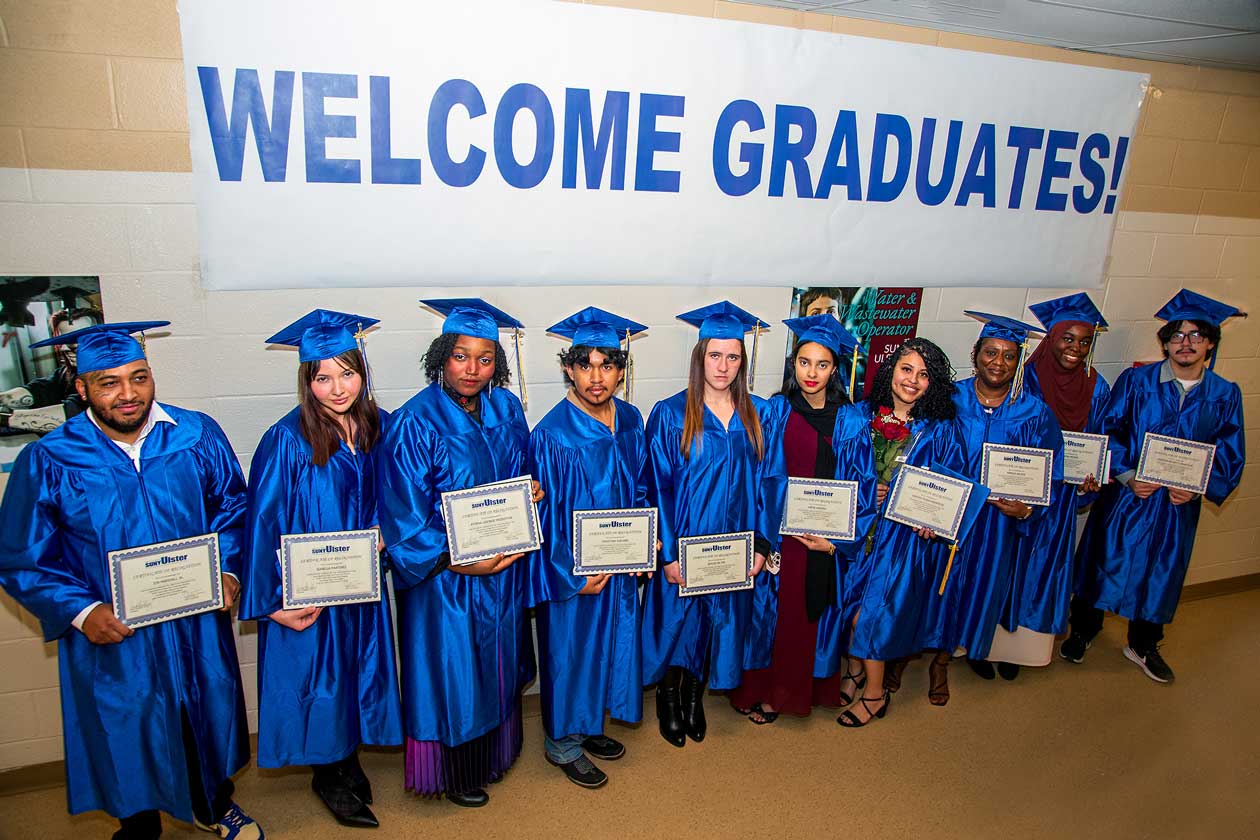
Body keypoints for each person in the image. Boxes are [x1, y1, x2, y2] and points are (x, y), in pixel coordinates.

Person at [0, 322, 262, 840]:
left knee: (200, 713)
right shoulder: (50, 458)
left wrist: (229, 571)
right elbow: (22, 557)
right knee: (125, 726)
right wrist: (80, 611)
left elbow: (234, 508)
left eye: (139, 378)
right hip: (111, 628)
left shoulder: (196, 434)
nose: (128, 394)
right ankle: (137, 825)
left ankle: (213, 804)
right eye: (109, 382)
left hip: (193, 620)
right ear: (82, 388)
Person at [376, 298, 541, 808]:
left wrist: (530, 492)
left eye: (485, 358)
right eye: (461, 356)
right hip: (445, 579)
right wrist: (455, 557)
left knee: (496, 661)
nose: (473, 369)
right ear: (441, 357)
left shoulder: (508, 408)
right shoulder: (414, 421)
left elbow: (521, 473)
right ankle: (453, 772)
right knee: (453, 672)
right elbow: (403, 514)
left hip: (502, 569)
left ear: (499, 363)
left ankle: (496, 754)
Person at [239, 310, 402, 828]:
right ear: (307, 381)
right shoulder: (285, 440)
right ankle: (328, 773)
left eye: (347, 373)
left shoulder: (380, 424)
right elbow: (261, 525)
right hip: (309, 590)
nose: (337, 388)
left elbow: (404, 492)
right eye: (323, 376)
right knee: (321, 677)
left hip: (363, 583)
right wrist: (271, 605)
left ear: (363, 372)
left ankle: (346, 758)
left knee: (361, 669)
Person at [1064, 289, 1246, 682]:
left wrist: (1198, 488)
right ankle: (1083, 630)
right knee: (1103, 559)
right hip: (1129, 496)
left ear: (1210, 342)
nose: (1186, 343)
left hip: (1177, 505)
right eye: (1177, 335)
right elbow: (1108, 431)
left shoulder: (1224, 394)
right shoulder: (1137, 381)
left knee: (1162, 571)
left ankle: (1144, 643)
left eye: (1196, 335)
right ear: (1165, 342)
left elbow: (1231, 453)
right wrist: (1128, 474)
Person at [641, 301, 786, 748]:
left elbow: (771, 482)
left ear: (743, 361)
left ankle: (694, 698)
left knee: (717, 623)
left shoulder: (759, 414)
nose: (723, 366)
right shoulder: (670, 413)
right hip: (685, 544)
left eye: (733, 357)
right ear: (700, 356)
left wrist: (762, 545)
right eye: (714, 355)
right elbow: (657, 486)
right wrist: (666, 553)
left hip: (735, 547)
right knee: (680, 624)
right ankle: (669, 696)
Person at [729, 314, 874, 724]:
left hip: (823, 539)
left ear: (835, 369)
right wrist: (763, 536)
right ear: (793, 364)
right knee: (771, 617)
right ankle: (769, 690)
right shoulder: (775, 411)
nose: (812, 373)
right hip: (779, 535)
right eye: (804, 362)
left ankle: (797, 692)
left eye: (823, 364)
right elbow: (759, 476)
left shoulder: (850, 422)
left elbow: (863, 489)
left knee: (809, 616)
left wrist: (838, 542)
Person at [527, 307, 650, 788]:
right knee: (571, 651)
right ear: (568, 368)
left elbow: (641, 487)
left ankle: (590, 725)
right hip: (574, 571)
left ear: (621, 369)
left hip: (619, 560)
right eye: (585, 365)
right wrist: (569, 577)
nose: (596, 377)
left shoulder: (631, 418)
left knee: (612, 644)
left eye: (607, 365)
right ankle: (562, 743)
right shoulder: (552, 435)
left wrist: (645, 541)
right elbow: (541, 519)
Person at [836, 338, 966, 722]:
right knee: (847, 603)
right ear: (891, 370)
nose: (912, 380)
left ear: (934, 384)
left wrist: (934, 520)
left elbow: (951, 481)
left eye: (923, 375)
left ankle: (875, 695)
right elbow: (839, 472)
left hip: (904, 540)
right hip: (860, 528)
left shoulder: (940, 430)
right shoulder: (859, 416)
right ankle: (855, 670)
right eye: (906, 369)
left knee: (871, 614)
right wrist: (865, 491)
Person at [996, 293, 1112, 674]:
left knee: (1043, 569)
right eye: (1067, 338)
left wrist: (1090, 480)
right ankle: (991, 646)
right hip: (1022, 489)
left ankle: (1022, 651)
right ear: (1052, 337)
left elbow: (1100, 438)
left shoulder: (1097, 386)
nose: (1075, 348)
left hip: (1061, 497)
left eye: (1084, 341)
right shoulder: (1024, 378)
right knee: (1006, 566)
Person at [950, 312, 1063, 682]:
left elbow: (1052, 471)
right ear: (976, 354)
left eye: (1009, 355)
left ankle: (982, 646)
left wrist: (1029, 507)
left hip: (1001, 521)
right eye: (990, 352)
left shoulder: (1034, 412)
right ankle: (947, 646)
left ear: (1018, 361)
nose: (998, 362)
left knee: (992, 580)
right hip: (956, 516)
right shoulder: (951, 401)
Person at [0, 306, 101, 434]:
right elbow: (37, 391)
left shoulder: (110, 375)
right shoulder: (66, 374)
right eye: (63, 339)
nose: (64, 348)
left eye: (75, 339)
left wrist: (5, 419)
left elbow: (74, 415)